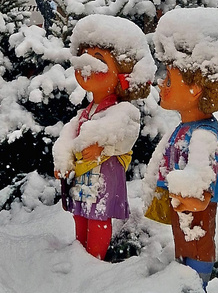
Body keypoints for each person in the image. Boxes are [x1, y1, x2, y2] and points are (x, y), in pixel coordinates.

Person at [144, 8, 218, 288]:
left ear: (195, 89)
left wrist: (190, 197)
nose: (161, 83)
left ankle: (200, 284)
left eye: (169, 79)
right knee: (183, 241)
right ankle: (186, 276)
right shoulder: (185, 128)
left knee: (197, 243)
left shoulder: (204, 136)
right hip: (181, 210)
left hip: (195, 213)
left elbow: (202, 190)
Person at [53, 15, 154, 259]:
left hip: (104, 174)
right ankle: (80, 254)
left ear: (122, 73)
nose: (87, 64)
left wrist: (103, 145)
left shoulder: (124, 111)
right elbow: (69, 135)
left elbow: (125, 135)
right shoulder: (85, 112)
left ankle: (94, 258)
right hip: (81, 174)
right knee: (80, 212)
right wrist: (63, 159)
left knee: (98, 214)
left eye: (98, 58)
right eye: (85, 55)